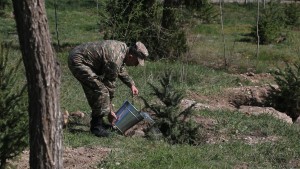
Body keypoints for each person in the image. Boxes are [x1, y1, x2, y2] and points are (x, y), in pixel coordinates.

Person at [68, 40, 149, 137]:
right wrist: (110, 111)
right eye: (137, 62)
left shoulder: (123, 50)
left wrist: (131, 84)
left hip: (82, 58)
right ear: (131, 56)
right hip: (78, 61)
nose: (136, 65)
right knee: (102, 90)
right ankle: (96, 128)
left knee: (96, 90)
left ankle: (99, 122)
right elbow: (109, 86)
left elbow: (120, 69)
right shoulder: (115, 59)